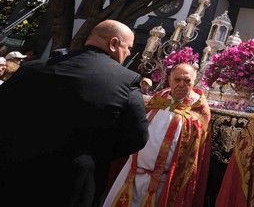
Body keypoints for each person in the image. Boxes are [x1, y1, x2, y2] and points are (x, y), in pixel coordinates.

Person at [0, 20, 149, 206]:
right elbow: (137, 137)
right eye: (128, 48)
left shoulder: (33, 69)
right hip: (70, 185)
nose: (128, 54)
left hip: (12, 173)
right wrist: (95, 151)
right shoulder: (126, 81)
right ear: (113, 44)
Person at [104, 59, 211, 206]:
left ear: (194, 82)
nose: (181, 85)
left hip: (162, 183)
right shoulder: (159, 98)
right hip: (132, 173)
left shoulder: (198, 108)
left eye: (187, 81)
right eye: (177, 79)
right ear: (169, 79)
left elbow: (193, 151)